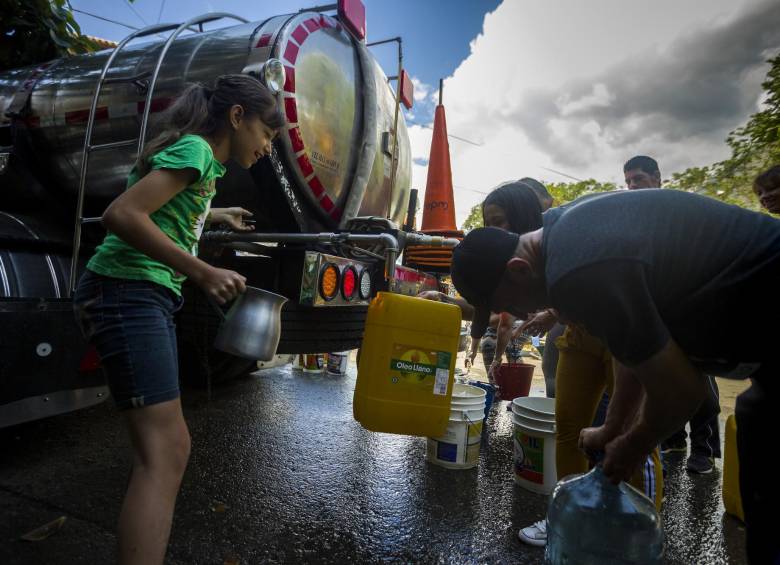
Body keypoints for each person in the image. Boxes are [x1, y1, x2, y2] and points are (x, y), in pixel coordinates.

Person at [450, 189, 780, 564]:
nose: (514, 312)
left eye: (506, 303)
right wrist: (613, 428)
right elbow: (635, 356)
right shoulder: (564, 231)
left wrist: (632, 444)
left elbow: (680, 390)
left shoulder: (576, 272)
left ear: (519, 269)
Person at [72, 74, 285, 565]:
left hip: (138, 293)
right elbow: (122, 214)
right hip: (127, 290)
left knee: (166, 450)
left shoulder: (201, 161)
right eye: (267, 134)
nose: (268, 147)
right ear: (237, 117)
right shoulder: (196, 151)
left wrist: (218, 212)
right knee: (166, 452)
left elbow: (170, 207)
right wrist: (202, 270)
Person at [623, 155, 722, 475]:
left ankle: (704, 450)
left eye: (638, 179)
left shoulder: (679, 210)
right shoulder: (634, 218)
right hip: (657, 309)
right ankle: (674, 440)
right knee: (659, 378)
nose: (633, 186)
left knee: (700, 382)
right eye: (628, 182)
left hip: (693, 306)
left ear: (657, 178)